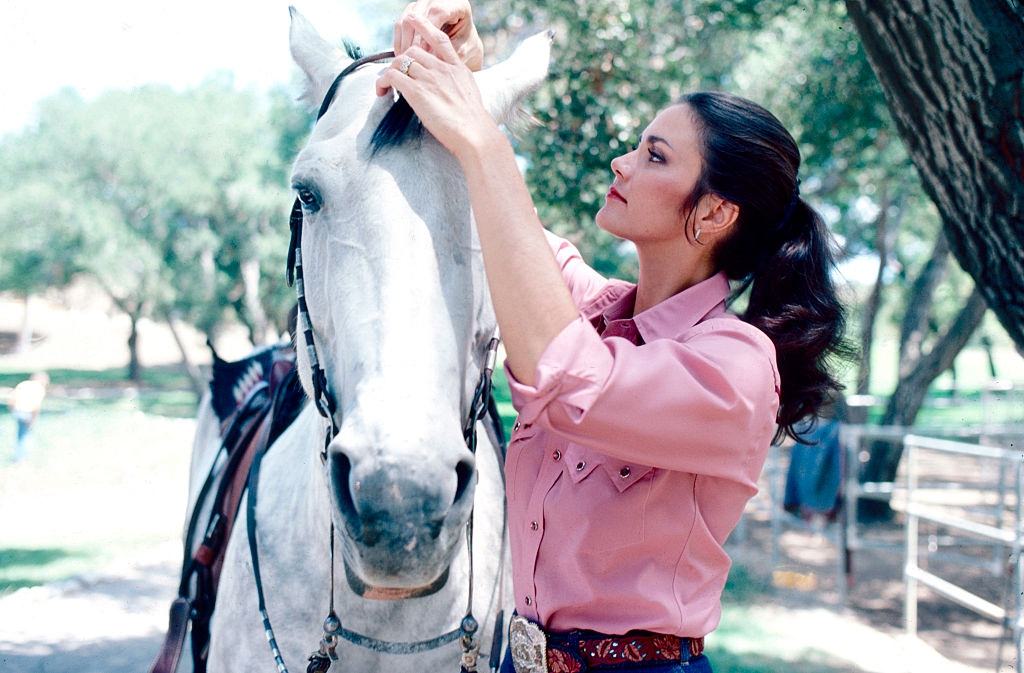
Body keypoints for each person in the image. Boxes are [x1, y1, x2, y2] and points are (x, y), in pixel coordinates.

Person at [376, 3, 849, 671]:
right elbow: (496, 228)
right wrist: (466, 79)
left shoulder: (738, 368)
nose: (621, 163)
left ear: (713, 210)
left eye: (654, 155)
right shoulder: (589, 310)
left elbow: (568, 383)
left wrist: (485, 139)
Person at [10, 372, 49, 462]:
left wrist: (13, 410)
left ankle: (20, 455)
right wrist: (33, 419)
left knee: (20, 434)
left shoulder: (23, 384)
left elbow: (12, 399)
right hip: (28, 412)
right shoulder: (39, 388)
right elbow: (36, 405)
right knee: (25, 435)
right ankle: (21, 457)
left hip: (18, 411)